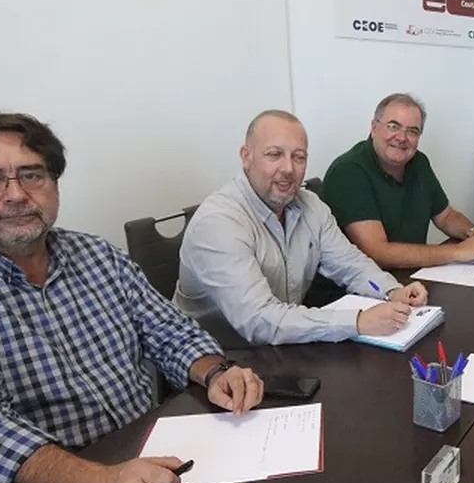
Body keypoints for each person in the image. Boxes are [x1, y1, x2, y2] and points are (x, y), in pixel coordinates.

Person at [0, 113, 264, 483]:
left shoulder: (95, 255)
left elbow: (169, 331)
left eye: (32, 175)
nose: (16, 194)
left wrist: (214, 371)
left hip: (132, 473)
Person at [175, 109, 428, 344]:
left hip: (283, 349)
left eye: (298, 157)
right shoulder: (218, 223)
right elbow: (259, 320)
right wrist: (358, 321)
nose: (288, 169)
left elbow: (351, 266)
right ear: (246, 156)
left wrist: (390, 290)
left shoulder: (311, 206)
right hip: (218, 360)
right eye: (274, 154)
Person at [320, 92, 474, 268]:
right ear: (374, 128)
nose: (402, 138)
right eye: (393, 126)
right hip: (360, 287)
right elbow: (378, 253)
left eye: (412, 131)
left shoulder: (418, 162)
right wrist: (459, 251)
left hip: (409, 278)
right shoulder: (348, 171)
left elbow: (446, 216)